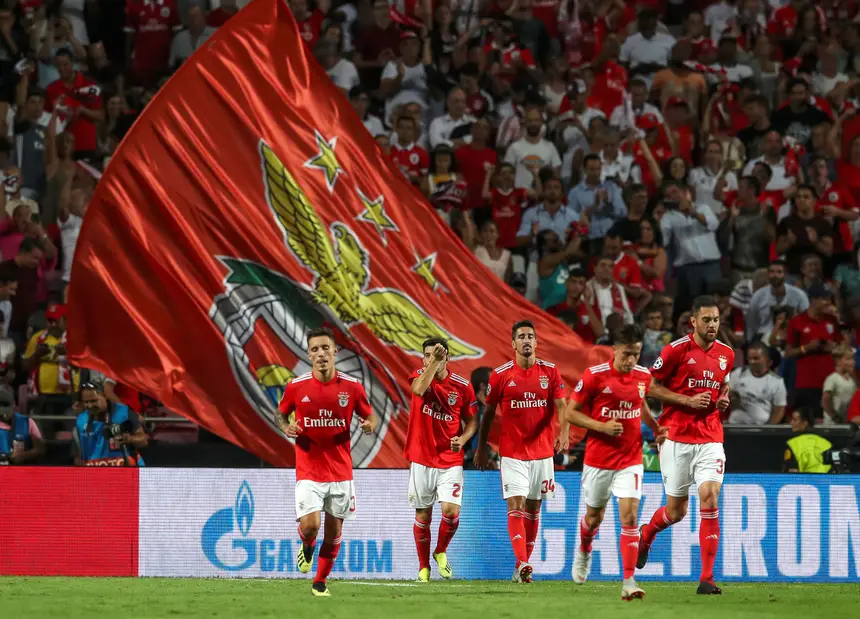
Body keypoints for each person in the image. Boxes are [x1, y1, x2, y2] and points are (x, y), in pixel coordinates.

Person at [638, 295, 734, 595]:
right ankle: (647, 533)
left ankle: (706, 579)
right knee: (676, 511)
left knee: (709, 496)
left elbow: (724, 382)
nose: (712, 325)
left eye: (716, 320)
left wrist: (723, 397)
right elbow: (648, 387)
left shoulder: (727, 354)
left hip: (710, 436)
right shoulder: (675, 351)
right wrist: (687, 400)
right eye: (706, 319)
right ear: (693, 321)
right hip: (676, 436)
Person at [565, 324, 666, 600]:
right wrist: (601, 426)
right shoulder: (595, 376)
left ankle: (629, 581)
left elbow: (641, 405)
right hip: (598, 459)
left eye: (636, 354)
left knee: (630, 517)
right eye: (627, 354)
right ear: (614, 350)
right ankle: (585, 548)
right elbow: (570, 413)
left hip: (630, 459)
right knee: (593, 517)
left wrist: (655, 428)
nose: (631, 360)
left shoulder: (643, 376)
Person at [277, 327, 377, 597]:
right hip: (309, 469)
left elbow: (371, 416)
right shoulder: (296, 387)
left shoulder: (352, 387)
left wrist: (368, 425)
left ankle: (320, 582)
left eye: (325, 348)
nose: (320, 353)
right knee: (311, 527)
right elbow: (281, 414)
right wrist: (286, 426)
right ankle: (306, 545)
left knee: (334, 531)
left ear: (335, 351)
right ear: (308, 354)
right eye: (315, 349)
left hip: (341, 471)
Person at [473, 320, 569, 584]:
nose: (526, 340)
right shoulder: (501, 375)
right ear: (513, 344)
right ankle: (524, 561)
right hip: (513, 453)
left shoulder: (550, 372)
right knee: (516, 505)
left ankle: (520, 566)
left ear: (536, 343)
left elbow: (562, 407)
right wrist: (481, 448)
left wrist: (564, 432)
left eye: (530, 336)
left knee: (534, 508)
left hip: (542, 453)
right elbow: (488, 414)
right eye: (521, 337)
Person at [406, 339, 478, 582]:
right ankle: (423, 567)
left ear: (448, 358)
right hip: (421, 458)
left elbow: (472, 421)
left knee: (451, 511)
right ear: (423, 359)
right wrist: (433, 364)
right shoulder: (419, 375)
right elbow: (418, 390)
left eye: (436, 355)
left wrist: (464, 438)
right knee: (423, 515)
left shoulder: (462, 386)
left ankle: (440, 550)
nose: (430, 359)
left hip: (450, 459)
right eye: (426, 355)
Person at [784, 282, 840, 416]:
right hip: (806, 383)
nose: (827, 302)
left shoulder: (832, 320)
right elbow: (788, 353)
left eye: (828, 298)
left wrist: (833, 348)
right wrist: (806, 348)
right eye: (824, 298)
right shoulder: (797, 322)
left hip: (830, 382)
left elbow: (841, 347)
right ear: (813, 300)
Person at [74, 381, 147, 466]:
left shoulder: (124, 412)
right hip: (97, 473)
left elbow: (143, 440)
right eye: (86, 402)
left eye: (94, 401)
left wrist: (130, 439)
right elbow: (81, 454)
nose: (90, 406)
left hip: (126, 470)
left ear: (104, 396)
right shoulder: (81, 419)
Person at [727, 342, 787, 425]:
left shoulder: (777, 382)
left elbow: (779, 410)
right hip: (736, 425)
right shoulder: (738, 374)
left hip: (761, 428)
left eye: (756, 358)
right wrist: (732, 396)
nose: (752, 362)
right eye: (749, 358)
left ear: (767, 359)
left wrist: (768, 429)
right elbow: (726, 393)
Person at [0, 390, 44, 464]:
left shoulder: (27, 421)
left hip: (22, 469)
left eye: (6, 405)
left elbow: (40, 449)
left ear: (13, 404)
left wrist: (23, 456)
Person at [783, 408, 832, 473]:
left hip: (801, 482)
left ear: (805, 423)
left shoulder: (793, 444)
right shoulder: (826, 443)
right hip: (825, 481)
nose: (791, 422)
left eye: (795, 420)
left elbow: (791, 472)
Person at [821, 345, 858, 424]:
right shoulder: (833, 379)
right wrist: (834, 416)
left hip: (846, 422)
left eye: (853, 359)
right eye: (848, 359)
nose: (853, 362)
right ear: (838, 361)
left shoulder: (852, 380)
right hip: (832, 424)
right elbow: (825, 400)